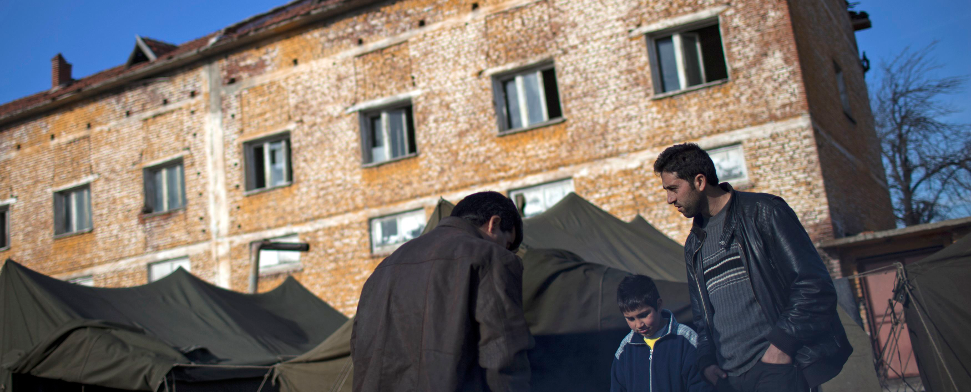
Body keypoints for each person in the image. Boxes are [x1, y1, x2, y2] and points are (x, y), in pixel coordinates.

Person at [653, 143, 851, 392]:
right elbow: (702, 318)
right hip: (728, 380)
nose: (669, 199)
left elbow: (814, 285)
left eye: (673, 189)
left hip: (776, 369)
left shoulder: (765, 212)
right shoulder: (694, 245)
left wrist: (781, 347)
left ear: (700, 181)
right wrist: (706, 362)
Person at [350, 191, 533, 392]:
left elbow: (359, 348)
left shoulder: (384, 268)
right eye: (507, 244)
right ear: (494, 223)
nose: (506, 251)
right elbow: (503, 353)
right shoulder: (491, 256)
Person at [610, 274, 713, 392]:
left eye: (643, 315)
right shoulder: (625, 349)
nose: (639, 324)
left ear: (659, 305)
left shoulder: (685, 340)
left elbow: (700, 385)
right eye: (631, 319)